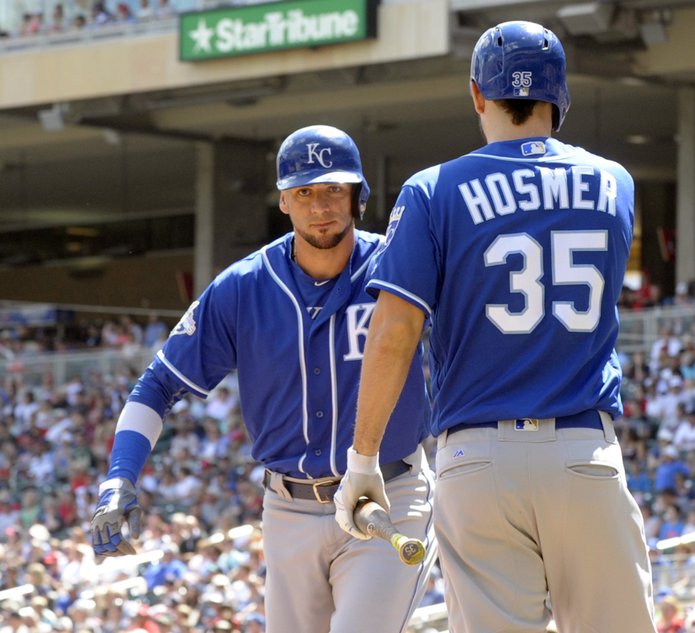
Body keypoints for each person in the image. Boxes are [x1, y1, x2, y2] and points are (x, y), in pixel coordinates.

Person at [334, 21, 657, 633]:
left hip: (476, 461)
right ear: (560, 99)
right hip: (583, 451)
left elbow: (395, 331)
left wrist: (364, 459)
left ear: (478, 95)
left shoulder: (434, 189)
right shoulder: (614, 181)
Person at [89, 125, 436, 633]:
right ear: (284, 202)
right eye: (305, 192)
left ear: (359, 196)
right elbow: (158, 385)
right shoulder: (241, 287)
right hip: (288, 510)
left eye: (334, 189)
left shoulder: (399, 269)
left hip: (391, 492)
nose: (321, 205)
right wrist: (120, 475)